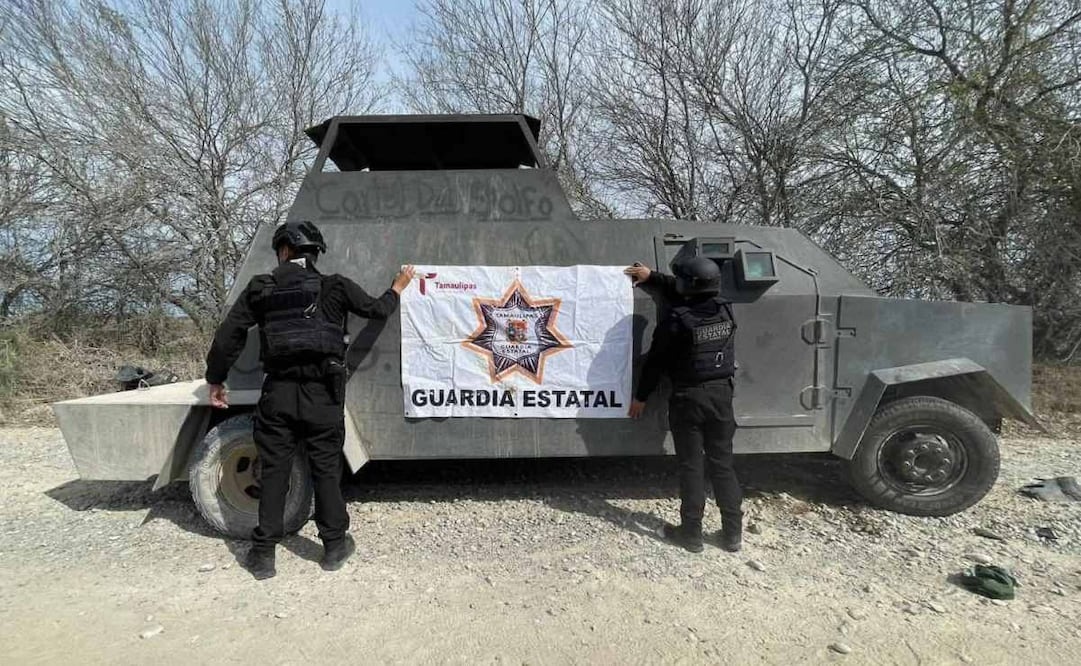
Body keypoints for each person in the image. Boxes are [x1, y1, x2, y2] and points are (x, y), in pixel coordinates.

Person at [205, 220, 415, 579]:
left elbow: (230, 335)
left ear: (284, 250)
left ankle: (263, 555)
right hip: (323, 393)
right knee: (325, 470)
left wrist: (215, 378)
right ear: (314, 253)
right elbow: (377, 310)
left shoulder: (262, 288)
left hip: (279, 392)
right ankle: (333, 547)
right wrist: (397, 287)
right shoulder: (335, 287)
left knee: (273, 472)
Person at [624, 258, 743, 553]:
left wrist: (641, 397)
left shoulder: (677, 320)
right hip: (721, 397)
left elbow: (655, 363)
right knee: (723, 465)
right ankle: (732, 534)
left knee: (692, 466)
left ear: (688, 286)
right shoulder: (726, 310)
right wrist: (653, 276)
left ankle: (691, 533)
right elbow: (693, 294)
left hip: (689, 399)